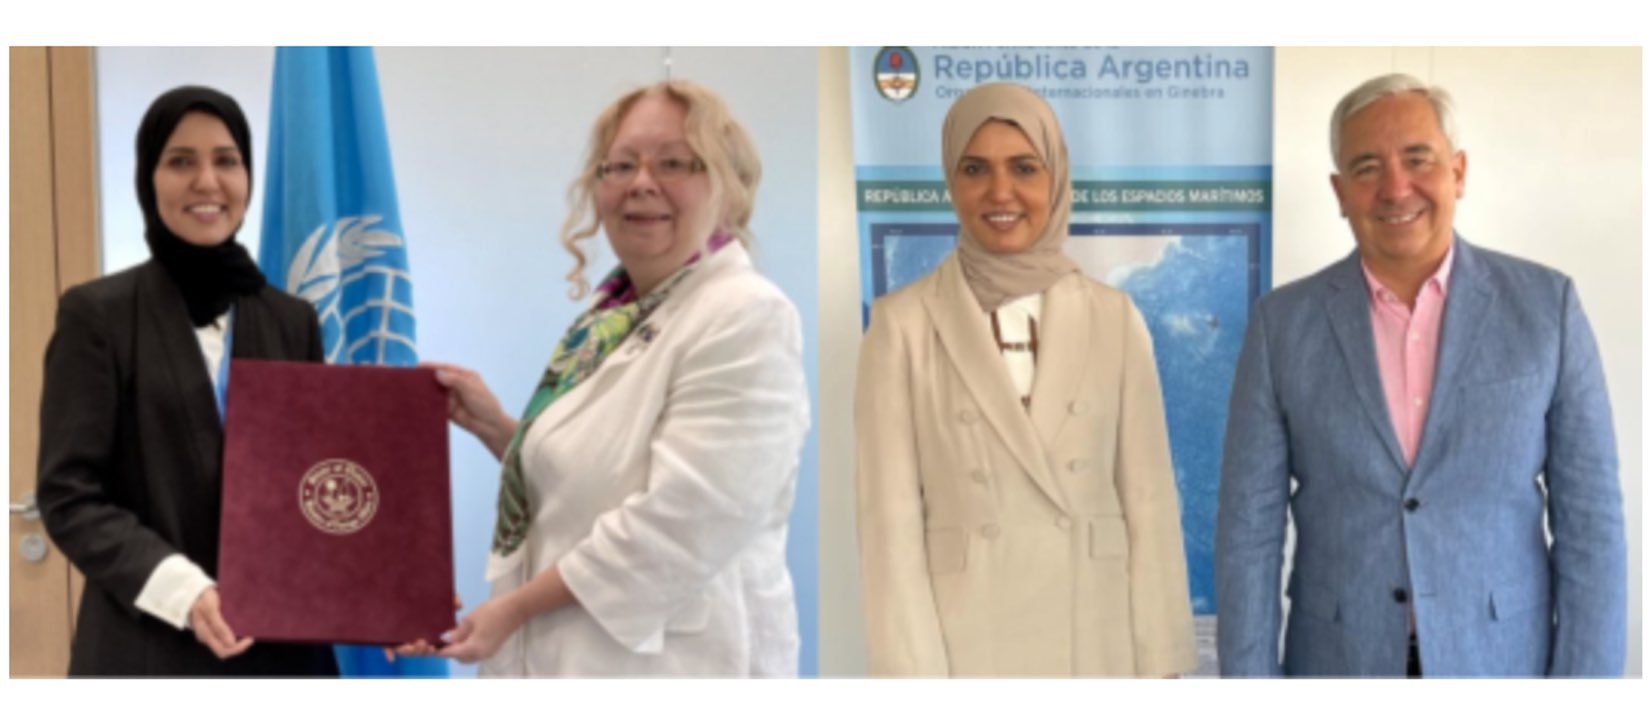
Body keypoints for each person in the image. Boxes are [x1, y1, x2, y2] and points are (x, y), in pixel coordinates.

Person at [1215, 73, 1626, 677]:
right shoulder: (1282, 325)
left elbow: (1591, 525)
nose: (1395, 187)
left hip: (1500, 665)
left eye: (1417, 159)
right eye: (1366, 168)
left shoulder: (1546, 308)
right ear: (1339, 190)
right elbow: (1248, 530)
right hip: (1339, 664)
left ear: (1458, 172)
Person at [408, 80, 809, 676]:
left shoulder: (747, 315)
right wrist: (499, 430)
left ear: (726, 189)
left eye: (674, 162)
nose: (641, 182)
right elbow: (595, 482)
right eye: (620, 165)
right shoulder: (612, 316)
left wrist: (513, 609)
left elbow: (680, 522)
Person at [853, 82, 1197, 677]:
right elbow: (888, 527)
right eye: (975, 168)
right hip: (966, 648)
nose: (1000, 192)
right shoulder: (901, 326)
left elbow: (1149, 503)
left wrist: (1161, 663)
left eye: (1023, 168)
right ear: (950, 180)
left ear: (1055, 178)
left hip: (1095, 639)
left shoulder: (1114, 318)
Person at [36, 86, 339, 676]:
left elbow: (314, 480)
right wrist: (187, 591)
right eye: (181, 161)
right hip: (148, 647)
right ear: (150, 177)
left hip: (283, 655)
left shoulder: (291, 319)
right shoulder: (97, 314)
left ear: (247, 176)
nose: (207, 181)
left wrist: (388, 590)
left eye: (226, 160)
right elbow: (69, 494)